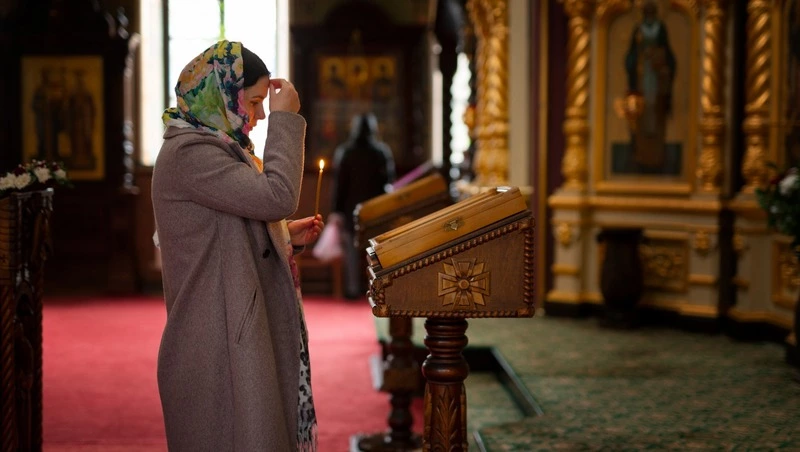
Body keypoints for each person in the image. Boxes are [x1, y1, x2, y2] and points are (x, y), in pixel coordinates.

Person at [151, 40, 323, 451]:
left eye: (265, 105)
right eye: (256, 102)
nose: (261, 116)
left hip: (231, 326)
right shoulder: (190, 152)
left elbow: (227, 227)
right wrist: (287, 119)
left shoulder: (217, 146)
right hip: (215, 341)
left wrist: (284, 235)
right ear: (223, 93)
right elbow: (277, 196)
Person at [330, 112, 395, 299]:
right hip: (376, 209)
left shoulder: (346, 152)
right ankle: (378, 289)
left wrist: (336, 210)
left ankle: (352, 289)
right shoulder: (381, 152)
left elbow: (340, 185)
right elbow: (388, 182)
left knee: (351, 251)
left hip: (351, 209)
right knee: (376, 250)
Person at [624, 0, 676, 172]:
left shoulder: (661, 29)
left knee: (656, 112)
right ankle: (640, 155)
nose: (649, 14)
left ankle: (657, 157)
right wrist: (636, 61)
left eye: (652, 11)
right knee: (641, 115)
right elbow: (630, 56)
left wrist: (659, 61)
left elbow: (668, 55)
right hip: (641, 77)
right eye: (647, 12)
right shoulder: (638, 30)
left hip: (657, 78)